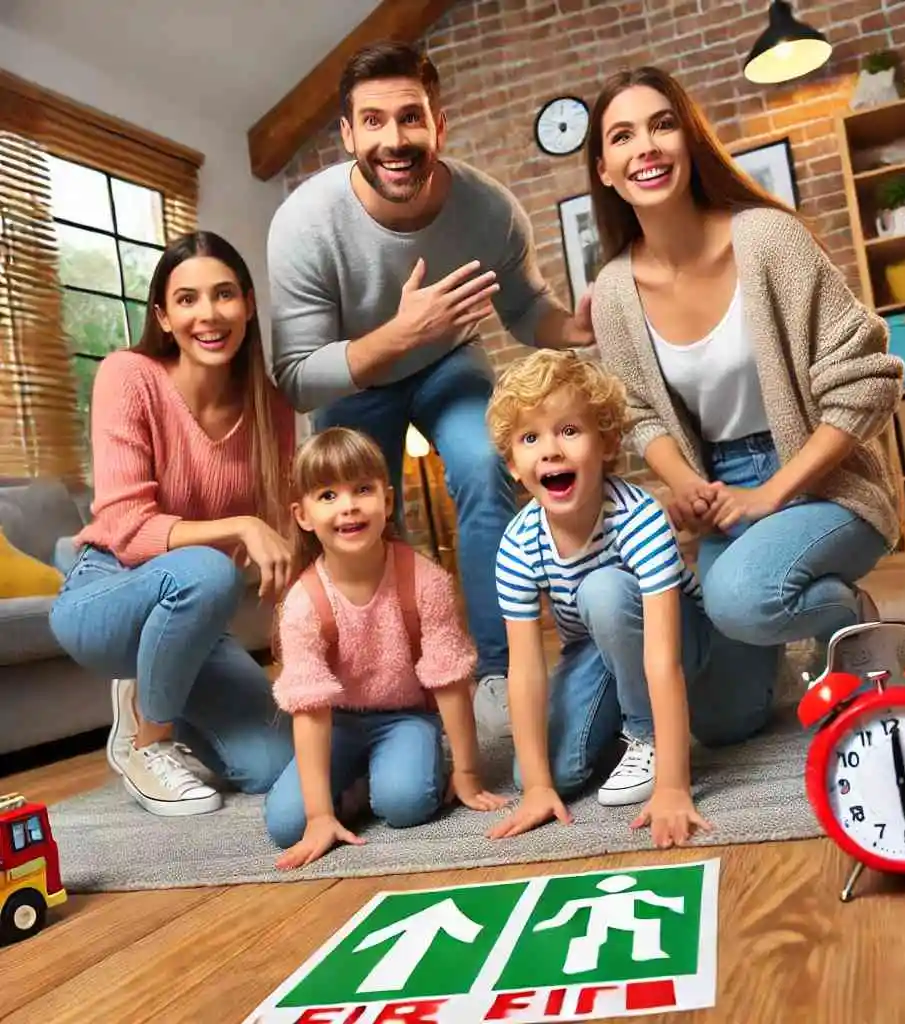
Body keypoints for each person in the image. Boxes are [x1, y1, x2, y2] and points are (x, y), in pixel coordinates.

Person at [266, 41, 595, 739]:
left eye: (410, 118)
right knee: (359, 515)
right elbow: (297, 377)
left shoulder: (491, 211)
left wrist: (573, 326)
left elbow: (526, 309)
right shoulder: (303, 224)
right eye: (374, 122)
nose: (395, 140)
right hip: (355, 377)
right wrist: (398, 334)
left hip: (450, 364)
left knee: (482, 466)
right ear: (349, 135)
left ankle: (498, 674)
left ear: (438, 125)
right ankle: (398, 681)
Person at [586, 66, 904, 685]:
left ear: (690, 140)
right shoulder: (614, 292)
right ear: (604, 168)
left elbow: (869, 379)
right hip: (722, 492)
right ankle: (796, 623)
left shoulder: (768, 240)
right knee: (726, 719)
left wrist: (773, 492)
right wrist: (686, 487)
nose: (645, 147)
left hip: (824, 481)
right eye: (622, 136)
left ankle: (850, 615)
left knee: (738, 599)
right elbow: (639, 414)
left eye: (662, 125)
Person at [484, 350, 780, 850]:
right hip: (598, 649)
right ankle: (622, 719)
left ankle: (646, 728)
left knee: (604, 591)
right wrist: (537, 787)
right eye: (531, 438)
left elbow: (663, 660)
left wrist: (671, 785)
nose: (550, 451)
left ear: (607, 444)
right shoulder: (517, 544)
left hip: (686, 643)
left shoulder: (638, 517)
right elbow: (526, 670)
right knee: (543, 771)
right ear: (514, 465)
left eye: (569, 431)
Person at [48, 231, 297, 817]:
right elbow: (130, 528)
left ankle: (158, 680)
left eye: (224, 294)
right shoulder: (128, 376)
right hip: (105, 588)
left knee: (278, 764)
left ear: (248, 304)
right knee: (209, 572)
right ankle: (145, 740)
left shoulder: (271, 405)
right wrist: (241, 526)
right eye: (186, 299)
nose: (208, 314)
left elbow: (286, 538)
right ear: (162, 314)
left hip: (195, 615)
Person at [264, 427, 507, 868]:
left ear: (388, 501)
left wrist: (468, 774)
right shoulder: (303, 603)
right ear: (303, 515)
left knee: (406, 804)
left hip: (405, 716)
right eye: (328, 496)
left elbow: (451, 682)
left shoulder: (425, 580)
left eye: (362, 490)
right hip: (337, 723)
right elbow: (310, 708)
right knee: (287, 824)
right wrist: (319, 815)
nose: (349, 506)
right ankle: (353, 784)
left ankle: (392, 769)